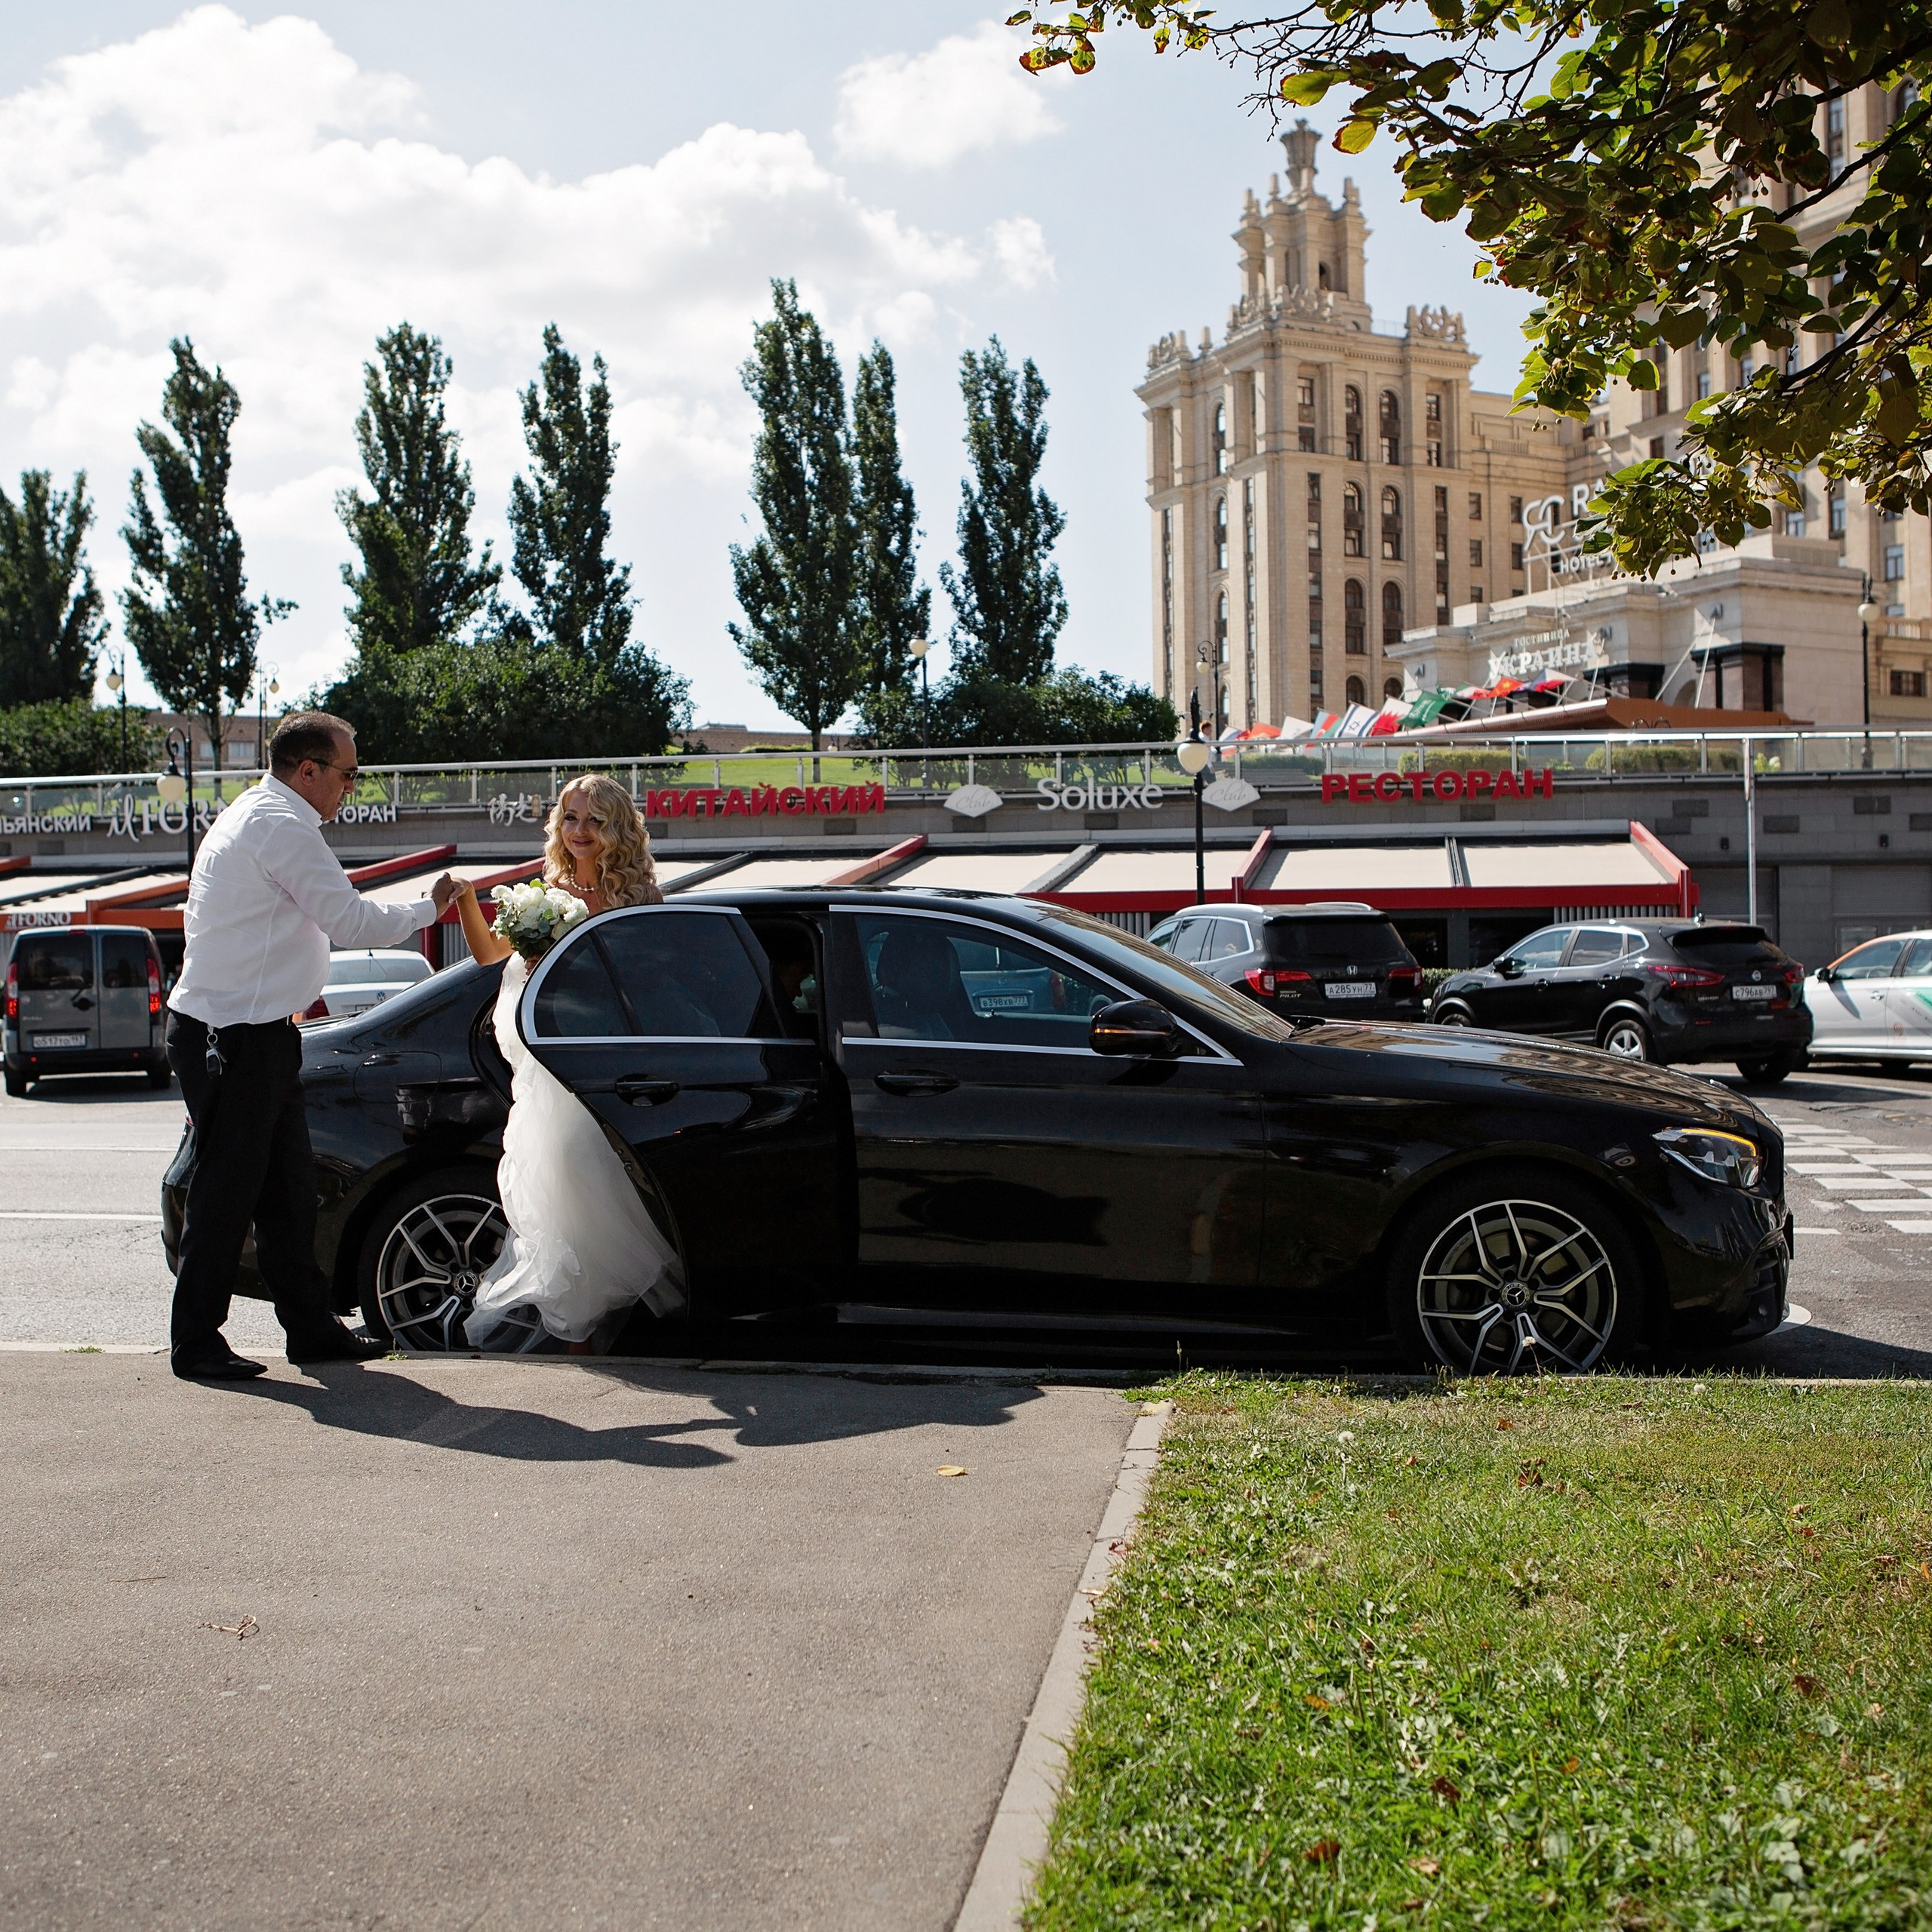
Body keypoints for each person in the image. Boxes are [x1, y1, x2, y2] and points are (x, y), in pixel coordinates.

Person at [167, 711, 460, 1380]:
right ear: (309, 771)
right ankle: (197, 1341)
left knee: (286, 1192)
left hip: (253, 1031)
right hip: (234, 1035)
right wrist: (427, 909)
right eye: (348, 774)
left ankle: (309, 1329)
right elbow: (351, 921)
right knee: (229, 1189)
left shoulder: (264, 814)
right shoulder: (280, 826)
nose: (351, 788)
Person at [453, 773, 685, 1352]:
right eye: (572, 818)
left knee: (607, 1180)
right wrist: (464, 900)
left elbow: (656, 984)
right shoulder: (543, 896)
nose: (581, 831)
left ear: (617, 830)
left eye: (595, 820)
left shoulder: (642, 898)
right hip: (551, 1062)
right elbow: (487, 955)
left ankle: (615, 1320)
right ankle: (577, 1325)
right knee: (561, 1183)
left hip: (614, 1059)